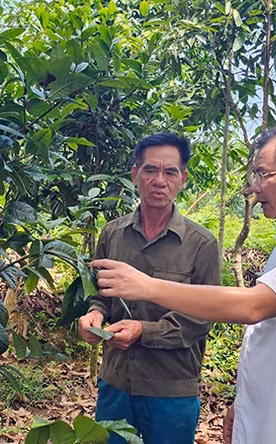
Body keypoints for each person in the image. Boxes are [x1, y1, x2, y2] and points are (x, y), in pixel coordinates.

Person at [91, 120, 276, 443]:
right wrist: (245, 405)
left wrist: (146, 286)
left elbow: (252, 306)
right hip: (270, 421)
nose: (254, 187)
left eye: (264, 174)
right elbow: (271, 337)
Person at [77, 133, 221, 443]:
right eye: (150, 170)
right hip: (116, 383)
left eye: (170, 172)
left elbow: (202, 317)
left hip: (171, 389)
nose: (159, 180)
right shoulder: (112, 234)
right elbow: (101, 295)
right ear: (135, 174)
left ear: (183, 178)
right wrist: (94, 315)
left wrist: (144, 330)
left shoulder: (201, 245)